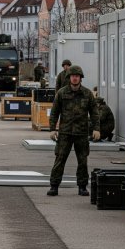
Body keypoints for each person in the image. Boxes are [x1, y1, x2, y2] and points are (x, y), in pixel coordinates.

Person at [47, 65, 100, 197]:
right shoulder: (62, 93)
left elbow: (94, 113)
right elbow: (54, 112)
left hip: (81, 133)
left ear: (80, 78)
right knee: (60, 159)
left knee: (82, 161)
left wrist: (96, 129)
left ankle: (82, 187)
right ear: (69, 78)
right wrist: (53, 129)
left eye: (77, 76)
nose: (75, 78)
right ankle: (54, 186)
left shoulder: (87, 94)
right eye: (72, 76)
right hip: (65, 132)